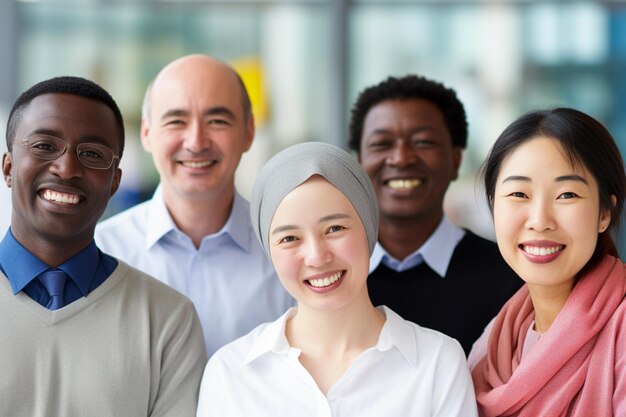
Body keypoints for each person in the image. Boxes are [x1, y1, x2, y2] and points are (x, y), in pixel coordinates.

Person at [196, 142, 477, 417]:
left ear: (369, 229)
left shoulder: (437, 362)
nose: (317, 257)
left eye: (334, 228)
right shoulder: (231, 372)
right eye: (289, 238)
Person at [0, 76, 206, 416]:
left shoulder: (168, 318)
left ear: (115, 182)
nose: (66, 169)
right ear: (8, 167)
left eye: (92, 154)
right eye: (44, 146)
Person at [95, 54, 294, 357]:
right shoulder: (101, 253)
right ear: (147, 133)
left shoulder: (288, 255)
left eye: (217, 120)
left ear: (249, 132)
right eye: (176, 121)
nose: (196, 142)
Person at [348, 75, 522, 355]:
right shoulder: (328, 276)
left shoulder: (510, 277)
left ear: (456, 160)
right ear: (358, 163)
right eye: (382, 144)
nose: (401, 158)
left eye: (423, 142)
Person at [468, 108, 626, 416]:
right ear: (493, 207)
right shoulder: (495, 341)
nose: (540, 221)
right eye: (518, 194)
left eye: (566, 195)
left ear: (604, 213)